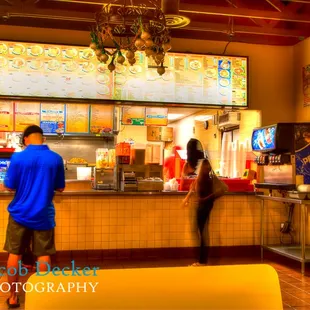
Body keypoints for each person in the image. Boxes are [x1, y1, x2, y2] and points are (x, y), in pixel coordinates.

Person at [4, 125, 65, 308]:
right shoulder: (55, 158)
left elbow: (9, 186)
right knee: (43, 255)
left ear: (25, 139)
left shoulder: (18, 157)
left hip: (19, 214)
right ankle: (43, 297)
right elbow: (60, 187)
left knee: (14, 254)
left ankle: (14, 297)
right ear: (43, 139)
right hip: (43, 215)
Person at [183, 158, 215, 266]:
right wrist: (187, 198)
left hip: (203, 208)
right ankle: (201, 261)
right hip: (203, 207)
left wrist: (203, 199)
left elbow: (219, 191)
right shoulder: (205, 179)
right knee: (202, 233)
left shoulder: (206, 180)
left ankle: (202, 261)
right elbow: (193, 189)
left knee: (202, 234)